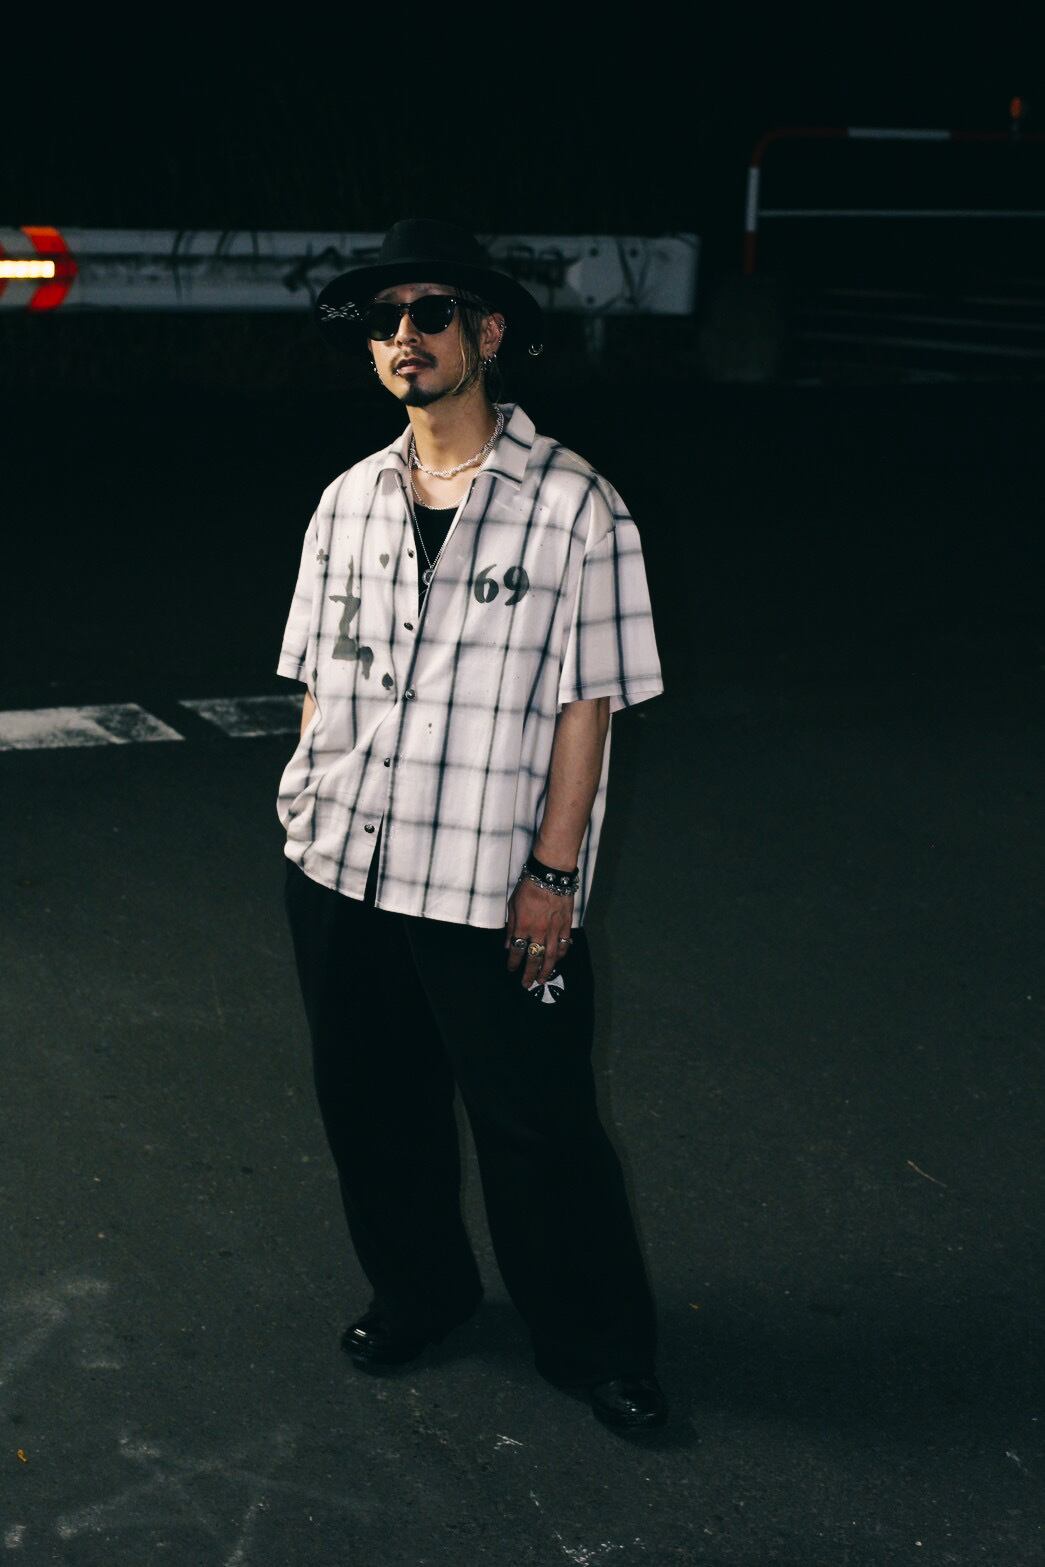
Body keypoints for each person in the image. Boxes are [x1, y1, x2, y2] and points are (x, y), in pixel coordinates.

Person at [277, 219, 666, 1430]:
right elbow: (313, 677)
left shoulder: (575, 506)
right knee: (371, 1109)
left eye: (430, 313)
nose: (405, 336)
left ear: (486, 332)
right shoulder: (348, 500)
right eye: (384, 320)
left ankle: (595, 1345)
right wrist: (306, 798)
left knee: (536, 1125)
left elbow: (588, 706)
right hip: (341, 868)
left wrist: (556, 874)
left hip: (488, 880)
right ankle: (420, 1294)